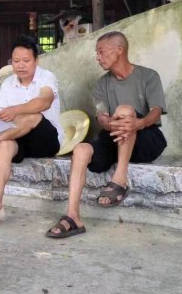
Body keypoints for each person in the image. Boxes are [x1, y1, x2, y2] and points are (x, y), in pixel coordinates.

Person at [47, 31, 167, 239]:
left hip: (147, 139)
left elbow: (156, 112)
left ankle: (120, 179)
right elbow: (102, 117)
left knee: (125, 110)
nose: (98, 57)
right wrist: (112, 124)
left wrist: (137, 123)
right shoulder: (101, 84)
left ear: (119, 50)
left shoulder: (149, 76)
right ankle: (73, 216)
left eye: (101, 52)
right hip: (115, 137)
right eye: (97, 53)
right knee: (81, 149)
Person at [0, 36, 64, 227]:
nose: (21, 65)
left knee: (33, 116)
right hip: (18, 137)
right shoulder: (8, 83)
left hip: (46, 141)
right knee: (7, 144)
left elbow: (44, 102)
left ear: (36, 61)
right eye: (16, 61)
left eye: (26, 60)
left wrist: (15, 110)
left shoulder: (46, 77)